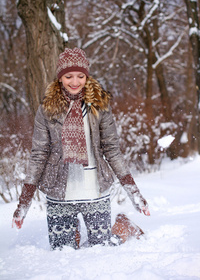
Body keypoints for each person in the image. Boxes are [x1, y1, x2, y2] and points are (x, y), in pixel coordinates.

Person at [12, 47, 150, 250]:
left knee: (101, 249)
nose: (75, 82)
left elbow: (111, 150)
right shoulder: (47, 110)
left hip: (95, 191)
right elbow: (39, 155)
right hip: (59, 194)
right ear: (60, 78)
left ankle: (123, 226)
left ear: (87, 76)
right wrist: (23, 203)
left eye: (80, 76)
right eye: (68, 76)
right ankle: (73, 231)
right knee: (62, 252)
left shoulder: (99, 106)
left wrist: (133, 192)